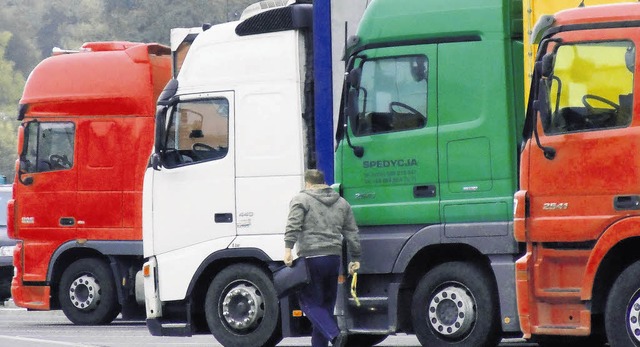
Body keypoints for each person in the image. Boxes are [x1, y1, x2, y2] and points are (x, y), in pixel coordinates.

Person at [284, 169, 361, 347]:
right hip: (333, 259)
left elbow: (293, 224)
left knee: (308, 304)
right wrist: (355, 257)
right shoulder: (341, 202)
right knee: (325, 307)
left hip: (311, 258)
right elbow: (351, 231)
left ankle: (335, 335)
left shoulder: (301, 199)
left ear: (308, 183)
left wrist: (288, 248)